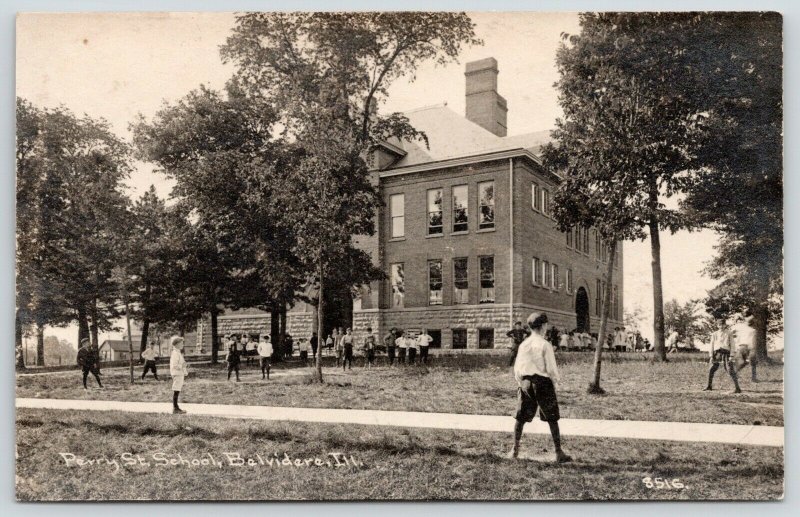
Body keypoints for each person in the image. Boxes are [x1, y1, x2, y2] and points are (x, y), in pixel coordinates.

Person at [509, 312, 572, 463]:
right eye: (546, 325)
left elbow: (518, 367)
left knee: (521, 417)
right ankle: (558, 452)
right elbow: (551, 368)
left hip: (525, 382)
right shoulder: (545, 345)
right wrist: (555, 381)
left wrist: (521, 382)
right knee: (552, 418)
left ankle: (514, 450)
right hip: (542, 383)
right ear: (543, 326)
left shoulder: (524, 344)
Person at [704, 319, 741, 393]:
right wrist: (711, 355)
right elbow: (711, 344)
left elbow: (732, 344)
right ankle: (709, 386)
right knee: (711, 369)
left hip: (726, 352)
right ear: (717, 325)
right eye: (719, 325)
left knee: (729, 369)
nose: (721, 326)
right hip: (717, 353)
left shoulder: (729, 333)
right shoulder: (714, 334)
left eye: (722, 324)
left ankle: (737, 388)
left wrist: (731, 355)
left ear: (725, 325)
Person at [733, 314, 758, 382]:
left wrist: (737, 346)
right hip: (747, 347)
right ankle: (753, 378)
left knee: (745, 362)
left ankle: (736, 372)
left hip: (742, 346)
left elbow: (736, 336)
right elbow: (753, 341)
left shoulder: (741, 329)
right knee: (751, 363)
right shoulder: (753, 330)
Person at [169, 336, 188, 414]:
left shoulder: (178, 352)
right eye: (181, 343)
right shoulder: (175, 353)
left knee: (177, 390)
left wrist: (184, 368)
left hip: (179, 373)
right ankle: (175, 408)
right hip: (177, 374)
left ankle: (176, 407)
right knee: (176, 390)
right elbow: (175, 365)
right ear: (176, 344)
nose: (182, 345)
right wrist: (182, 366)